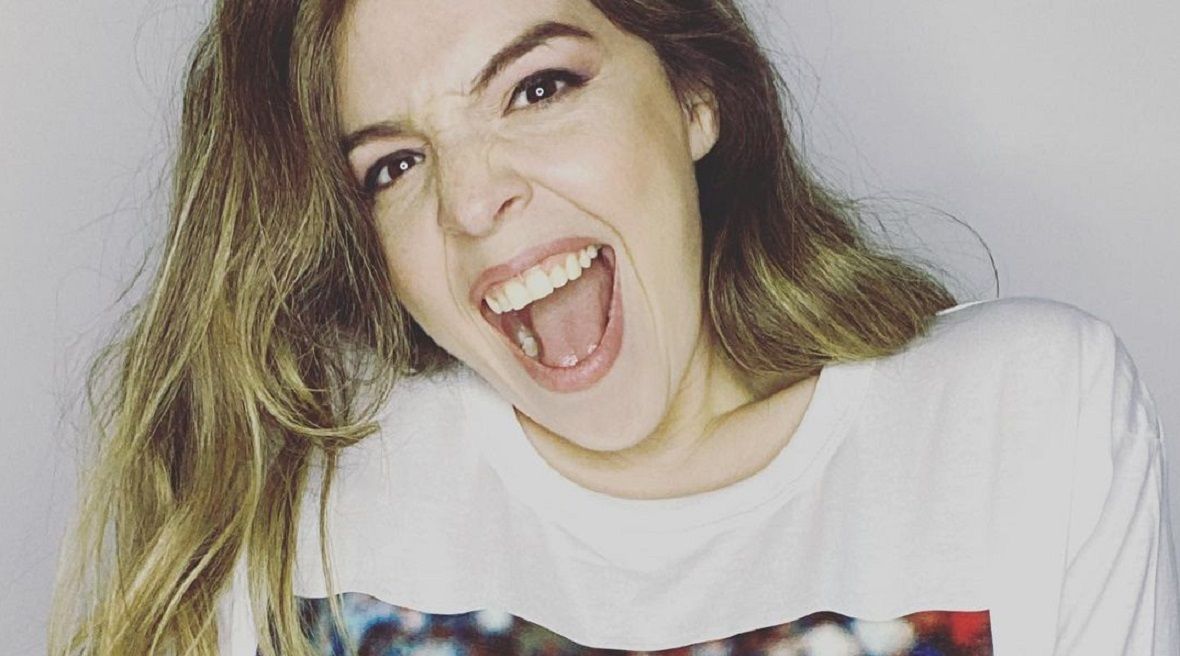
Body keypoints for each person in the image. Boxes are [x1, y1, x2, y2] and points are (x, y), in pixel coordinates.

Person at [51, 1, 1178, 655]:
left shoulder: (1025, 414)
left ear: (694, 96)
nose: (471, 200)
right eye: (394, 164)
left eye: (537, 88)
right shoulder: (311, 478)